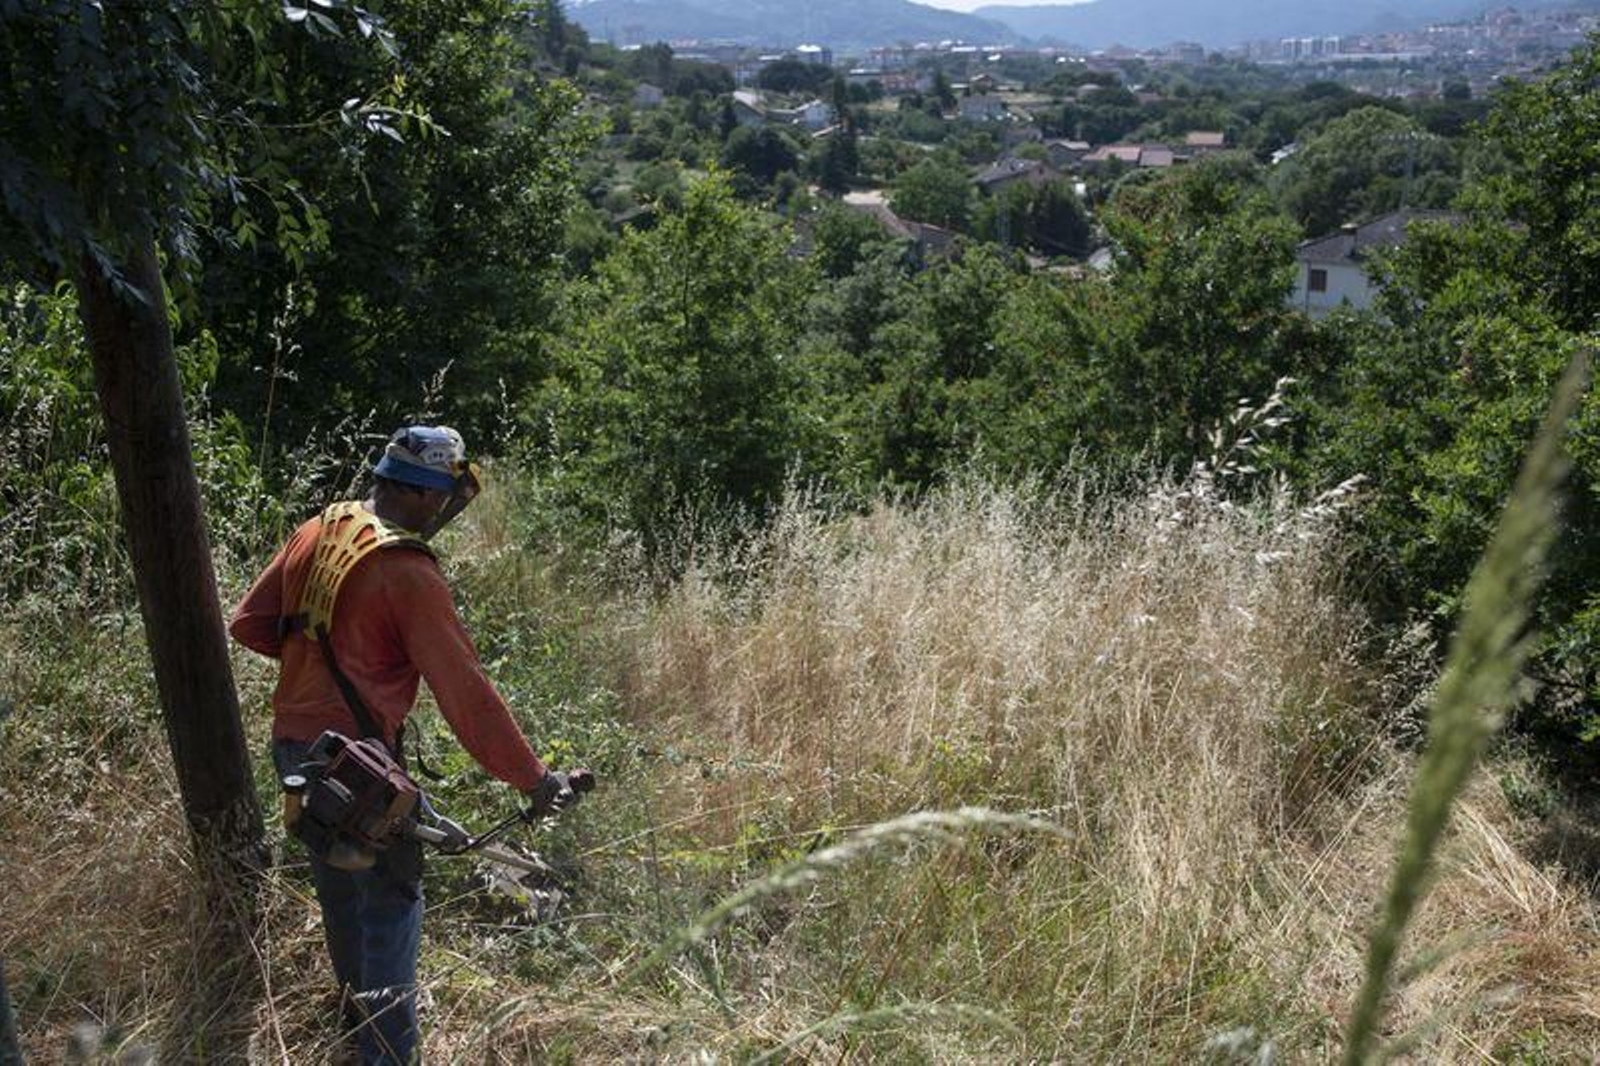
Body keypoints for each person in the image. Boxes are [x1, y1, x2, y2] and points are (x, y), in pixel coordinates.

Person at [229, 425, 580, 1064]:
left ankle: (352, 1020)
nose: (444, 512)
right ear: (427, 496)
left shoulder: (324, 526)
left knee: (340, 891)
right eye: (444, 499)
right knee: (392, 911)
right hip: (363, 769)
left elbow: (251, 623)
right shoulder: (405, 570)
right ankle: (386, 1055)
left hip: (295, 749)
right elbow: (464, 693)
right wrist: (534, 778)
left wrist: (322, 661)